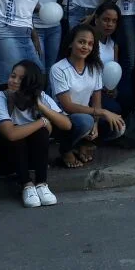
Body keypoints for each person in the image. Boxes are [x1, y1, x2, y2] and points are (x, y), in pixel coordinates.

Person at [0, 60, 71, 207]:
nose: (14, 81)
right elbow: (11, 134)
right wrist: (43, 122)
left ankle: (41, 183)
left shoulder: (41, 97)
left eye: (21, 79)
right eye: (13, 76)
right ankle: (26, 185)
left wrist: (40, 106)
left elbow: (66, 124)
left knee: (41, 133)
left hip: (30, 156)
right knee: (22, 131)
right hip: (2, 156)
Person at [49, 24, 126, 167]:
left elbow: (97, 101)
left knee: (118, 126)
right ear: (71, 43)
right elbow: (68, 106)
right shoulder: (58, 69)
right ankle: (65, 150)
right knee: (86, 121)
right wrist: (102, 113)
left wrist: (96, 124)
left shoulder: (95, 67)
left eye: (90, 44)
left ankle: (84, 144)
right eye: (81, 42)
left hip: (86, 116)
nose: (86, 47)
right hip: (63, 119)